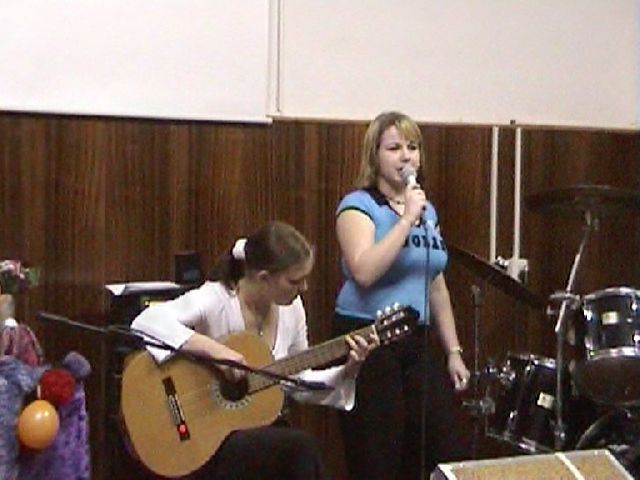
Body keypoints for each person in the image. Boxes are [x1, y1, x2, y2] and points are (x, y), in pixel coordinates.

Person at [131, 221, 377, 480]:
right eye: (295, 281)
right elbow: (146, 322)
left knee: (295, 450)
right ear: (264, 278)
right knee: (300, 449)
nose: (303, 288)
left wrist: (348, 370)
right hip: (208, 436)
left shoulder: (292, 309)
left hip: (259, 429)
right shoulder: (217, 299)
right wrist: (214, 351)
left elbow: (298, 381)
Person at [333, 111, 471, 480]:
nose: (406, 156)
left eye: (412, 147)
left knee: (442, 445)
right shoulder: (358, 205)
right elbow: (364, 271)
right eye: (394, 148)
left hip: (416, 336)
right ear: (375, 155)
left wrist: (453, 351)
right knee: (380, 454)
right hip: (368, 339)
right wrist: (406, 219)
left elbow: (434, 281)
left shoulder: (428, 211)